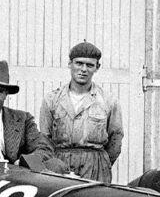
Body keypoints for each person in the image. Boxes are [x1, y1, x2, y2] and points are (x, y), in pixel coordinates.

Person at [39, 41, 124, 182]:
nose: (83, 69)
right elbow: (45, 138)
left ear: (97, 67)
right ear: (69, 64)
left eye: (90, 65)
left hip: (96, 166)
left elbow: (116, 138)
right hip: (60, 165)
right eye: (79, 63)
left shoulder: (108, 101)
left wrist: (102, 163)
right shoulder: (52, 99)